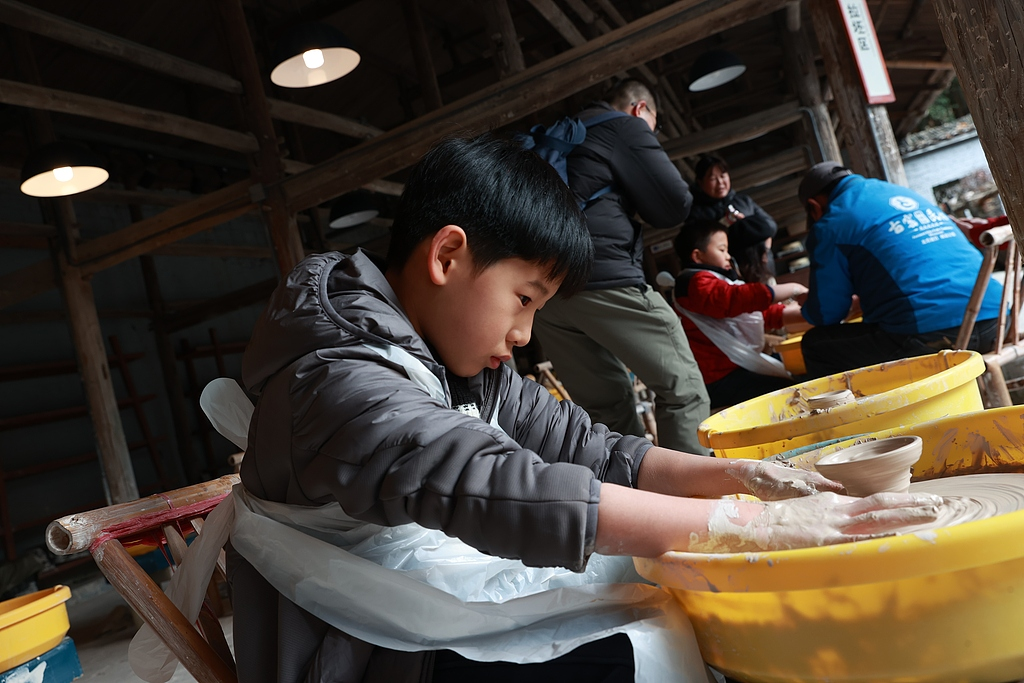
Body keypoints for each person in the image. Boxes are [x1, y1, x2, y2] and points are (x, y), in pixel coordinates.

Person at [227, 135, 941, 683]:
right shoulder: (336, 378)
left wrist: (746, 480)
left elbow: (592, 449)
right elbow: (500, 488)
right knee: (647, 642)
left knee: (679, 600)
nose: (525, 334)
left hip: (425, 596)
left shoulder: (459, 360)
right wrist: (753, 524)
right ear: (447, 256)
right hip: (358, 650)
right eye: (524, 299)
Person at [531, 79, 710, 454]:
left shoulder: (558, 140)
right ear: (640, 109)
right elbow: (674, 204)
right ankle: (687, 489)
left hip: (545, 293)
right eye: (653, 127)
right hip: (603, 277)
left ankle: (631, 488)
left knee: (606, 411)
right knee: (685, 390)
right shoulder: (623, 125)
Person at [797, 161, 1004, 376]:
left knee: (816, 346)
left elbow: (827, 314)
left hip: (937, 336)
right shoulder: (901, 193)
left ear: (814, 206)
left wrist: (809, 305)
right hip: (997, 321)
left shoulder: (831, 223)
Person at [672, 220, 807, 408]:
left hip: (734, 367)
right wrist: (792, 289)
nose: (728, 256)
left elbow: (757, 314)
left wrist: (805, 313)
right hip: (718, 377)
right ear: (698, 256)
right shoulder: (693, 283)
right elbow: (735, 299)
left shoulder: (713, 279)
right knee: (790, 394)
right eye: (722, 250)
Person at [686, 154, 778, 284]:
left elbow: (771, 226)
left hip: (762, 268)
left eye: (723, 176)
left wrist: (765, 251)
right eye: (713, 178)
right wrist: (724, 224)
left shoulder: (743, 201)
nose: (720, 182)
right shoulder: (696, 214)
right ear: (700, 183)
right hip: (728, 277)